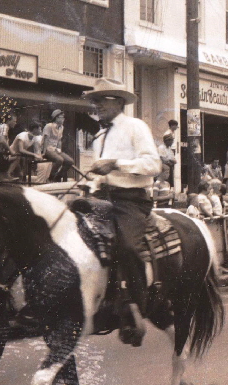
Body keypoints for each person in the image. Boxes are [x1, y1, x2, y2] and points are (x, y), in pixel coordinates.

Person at [83, 78, 161, 347]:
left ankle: (138, 307)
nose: (97, 105)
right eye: (95, 100)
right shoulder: (99, 136)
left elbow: (153, 164)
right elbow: (99, 174)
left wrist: (116, 164)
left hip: (131, 200)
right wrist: (93, 183)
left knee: (127, 246)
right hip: (103, 197)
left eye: (102, 100)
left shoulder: (135, 126)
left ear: (117, 101)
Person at [42, 109, 73, 181]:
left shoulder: (61, 127)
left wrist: (60, 150)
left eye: (63, 117)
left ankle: (58, 177)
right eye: (61, 117)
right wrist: (43, 152)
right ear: (56, 118)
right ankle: (50, 178)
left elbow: (59, 140)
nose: (63, 119)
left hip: (55, 150)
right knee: (59, 160)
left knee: (70, 161)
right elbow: (45, 139)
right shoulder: (49, 126)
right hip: (47, 149)